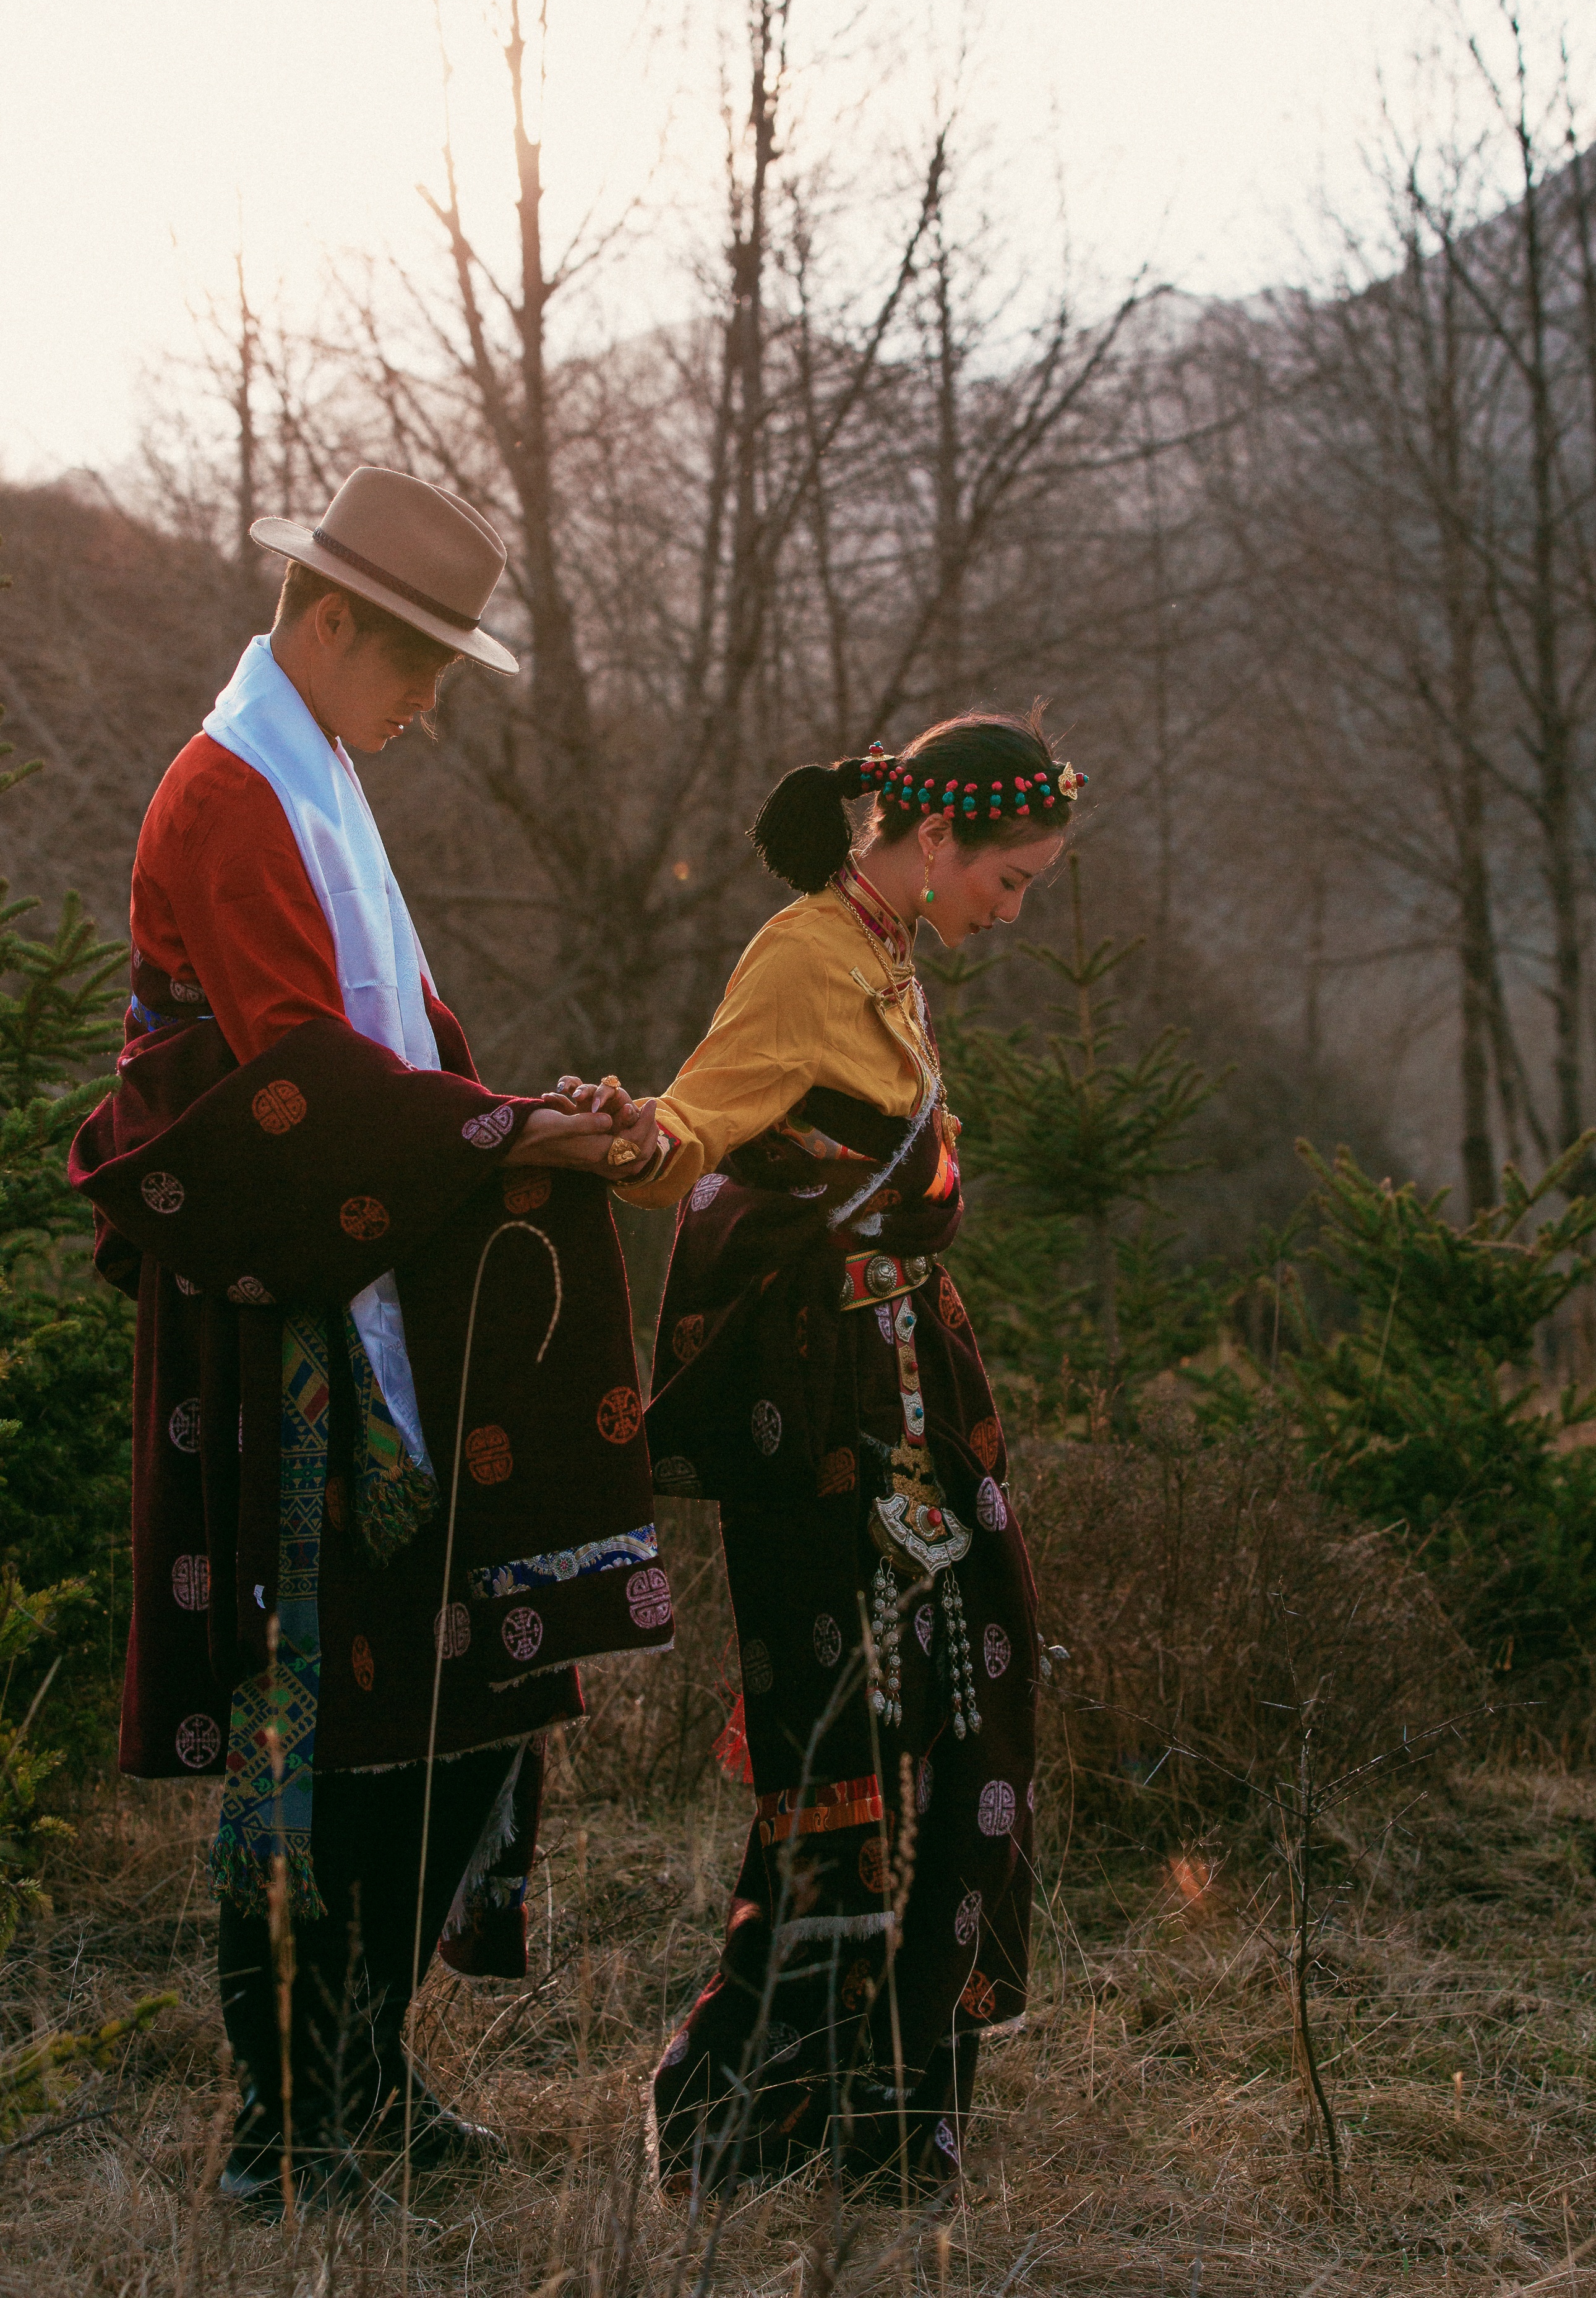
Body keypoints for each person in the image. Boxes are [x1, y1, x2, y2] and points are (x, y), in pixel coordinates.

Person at [70, 466, 672, 2213]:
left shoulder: (306, 773)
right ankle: (293, 2117)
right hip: (298, 1339)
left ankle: (356, 2075)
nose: (425, 710)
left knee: (439, 1699)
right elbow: (294, 1087)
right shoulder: (234, 795)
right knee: (335, 1710)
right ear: (327, 625)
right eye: (416, 669)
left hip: (367, 1292)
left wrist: (513, 1117)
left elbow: (383, 1051)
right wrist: (503, 1135)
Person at [615, 711, 1082, 2193]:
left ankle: (889, 2099)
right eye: (1010, 880)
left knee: (946, 1711)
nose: (1014, 910)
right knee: (843, 1741)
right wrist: (614, 1138)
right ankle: (755, 2104)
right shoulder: (806, 955)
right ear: (934, 838)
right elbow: (699, 1122)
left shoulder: (883, 951)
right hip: (825, 1417)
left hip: (904, 1396)